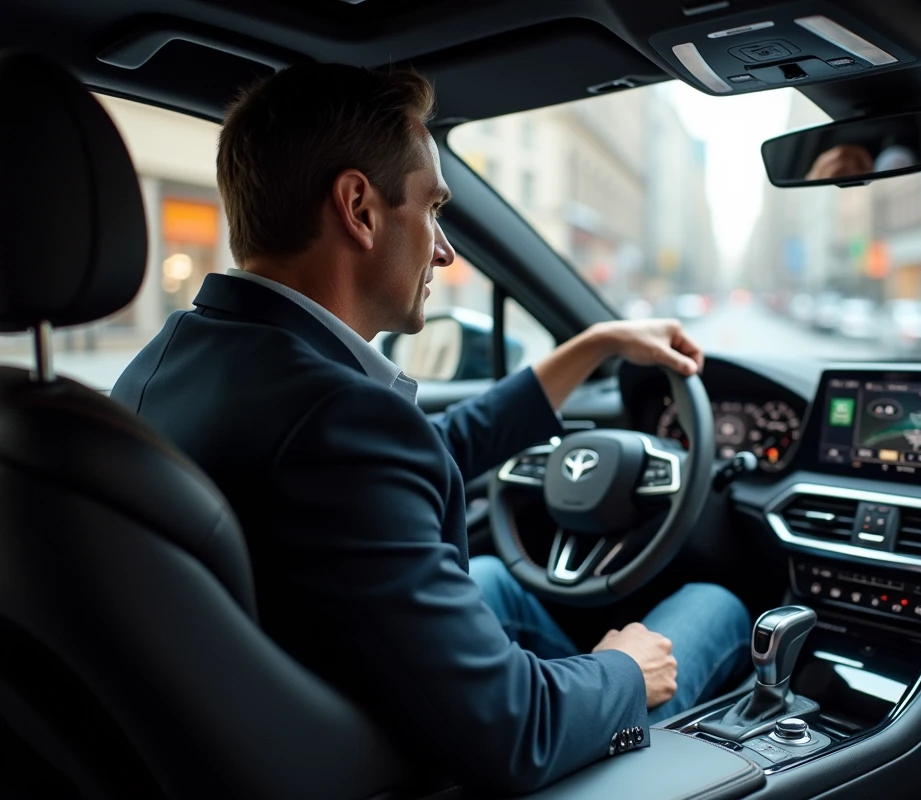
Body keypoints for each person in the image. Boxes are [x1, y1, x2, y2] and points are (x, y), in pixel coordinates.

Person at [110, 63, 749, 794]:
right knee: (714, 606)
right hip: (412, 761)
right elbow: (519, 732)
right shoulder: (341, 424)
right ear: (359, 208)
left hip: (286, 708)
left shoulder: (167, 363)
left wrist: (591, 345)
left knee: (493, 582)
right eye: (434, 208)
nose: (444, 249)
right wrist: (625, 672)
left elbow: (423, 459)